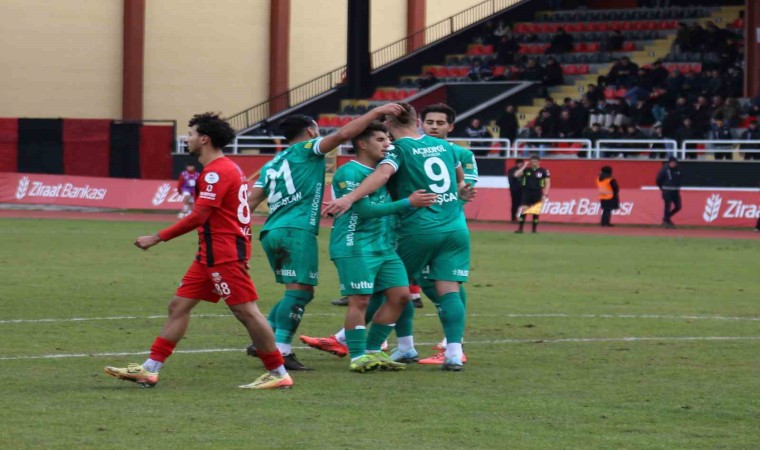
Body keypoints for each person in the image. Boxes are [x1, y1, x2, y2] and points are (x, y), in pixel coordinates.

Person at [104, 112, 292, 390]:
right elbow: (237, 215)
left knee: (247, 312)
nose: (187, 139)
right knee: (178, 306)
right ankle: (150, 369)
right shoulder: (227, 168)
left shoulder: (218, 171)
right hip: (212, 254)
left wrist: (157, 237)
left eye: (191, 134)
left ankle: (278, 372)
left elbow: (199, 216)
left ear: (204, 139)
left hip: (223, 253)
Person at [245, 104, 404, 371]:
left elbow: (250, 200)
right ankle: (280, 350)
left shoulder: (272, 163)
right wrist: (376, 113)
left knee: (299, 292)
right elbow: (343, 134)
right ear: (311, 130)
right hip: (297, 230)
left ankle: (266, 336)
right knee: (298, 292)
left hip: (273, 230)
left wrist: (238, 234)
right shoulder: (307, 150)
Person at [323, 103, 475, 371]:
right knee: (448, 289)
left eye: (385, 132)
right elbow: (460, 178)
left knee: (391, 289)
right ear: (417, 120)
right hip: (456, 227)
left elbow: (382, 174)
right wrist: (460, 191)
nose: (385, 140)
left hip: (419, 228)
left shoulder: (399, 149)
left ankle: (393, 346)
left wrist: (349, 197)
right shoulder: (447, 147)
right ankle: (453, 352)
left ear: (390, 123)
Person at [325, 121, 436, 372]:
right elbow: (364, 210)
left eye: (388, 139)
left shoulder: (384, 172)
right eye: (380, 139)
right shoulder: (349, 172)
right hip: (355, 245)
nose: (388, 143)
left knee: (401, 297)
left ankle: (374, 351)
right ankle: (357, 356)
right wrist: (409, 202)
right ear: (362, 144)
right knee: (360, 301)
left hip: (383, 247)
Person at [514, 155, 550, 233]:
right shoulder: (527, 170)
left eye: (535, 161)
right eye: (532, 161)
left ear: (539, 162)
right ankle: (520, 229)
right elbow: (516, 175)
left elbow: (547, 183)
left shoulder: (543, 171)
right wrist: (524, 166)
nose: (534, 163)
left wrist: (545, 194)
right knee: (524, 210)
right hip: (527, 192)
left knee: (535, 211)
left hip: (538, 192)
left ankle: (534, 229)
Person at [656, 156, 682, 228]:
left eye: (675, 163)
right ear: (670, 162)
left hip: (676, 191)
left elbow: (680, 178)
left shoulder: (678, 170)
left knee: (678, 206)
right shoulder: (664, 170)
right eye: (673, 162)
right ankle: (667, 221)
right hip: (667, 190)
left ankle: (666, 218)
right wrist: (662, 188)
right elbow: (658, 179)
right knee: (667, 206)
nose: (674, 164)